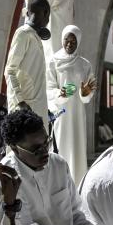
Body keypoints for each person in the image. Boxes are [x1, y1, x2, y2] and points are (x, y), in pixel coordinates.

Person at [46, 25, 97, 184]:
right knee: (62, 146)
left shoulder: (84, 64)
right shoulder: (53, 61)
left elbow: (88, 91)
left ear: (78, 41)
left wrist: (85, 93)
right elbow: (48, 88)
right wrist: (60, 94)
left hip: (78, 114)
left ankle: (78, 185)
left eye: (73, 41)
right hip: (61, 113)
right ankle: (61, 184)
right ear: (62, 40)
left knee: (78, 149)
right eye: (66, 40)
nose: (69, 44)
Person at [4, 0, 51, 127]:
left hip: (37, 107)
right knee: (20, 146)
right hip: (25, 108)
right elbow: (10, 71)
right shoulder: (23, 34)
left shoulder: (35, 36)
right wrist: (20, 102)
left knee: (39, 146)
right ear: (46, 13)